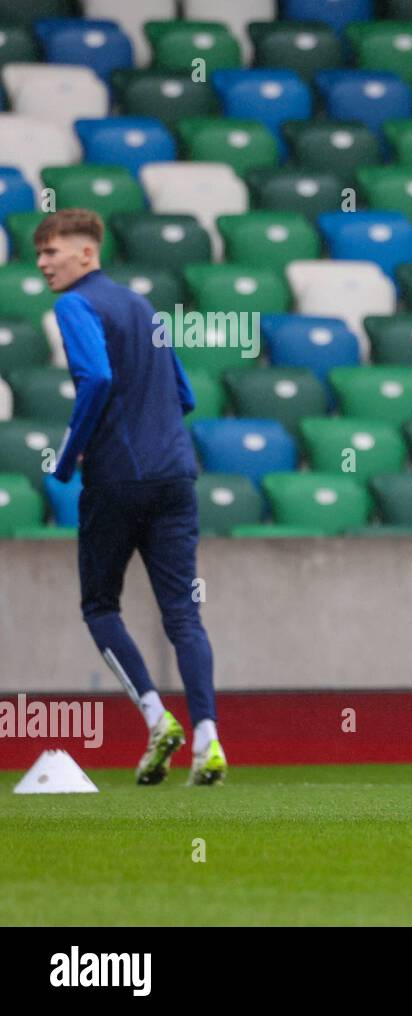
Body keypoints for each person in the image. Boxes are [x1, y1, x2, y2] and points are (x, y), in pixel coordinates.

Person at [36, 208, 227, 785]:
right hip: (175, 475)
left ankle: (154, 716)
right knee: (183, 614)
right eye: (40, 254)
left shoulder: (74, 304)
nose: (43, 263)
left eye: (52, 251)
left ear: (86, 254)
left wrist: (67, 460)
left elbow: (95, 378)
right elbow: (184, 393)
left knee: (99, 606)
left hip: (117, 479)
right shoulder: (143, 306)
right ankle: (208, 741)